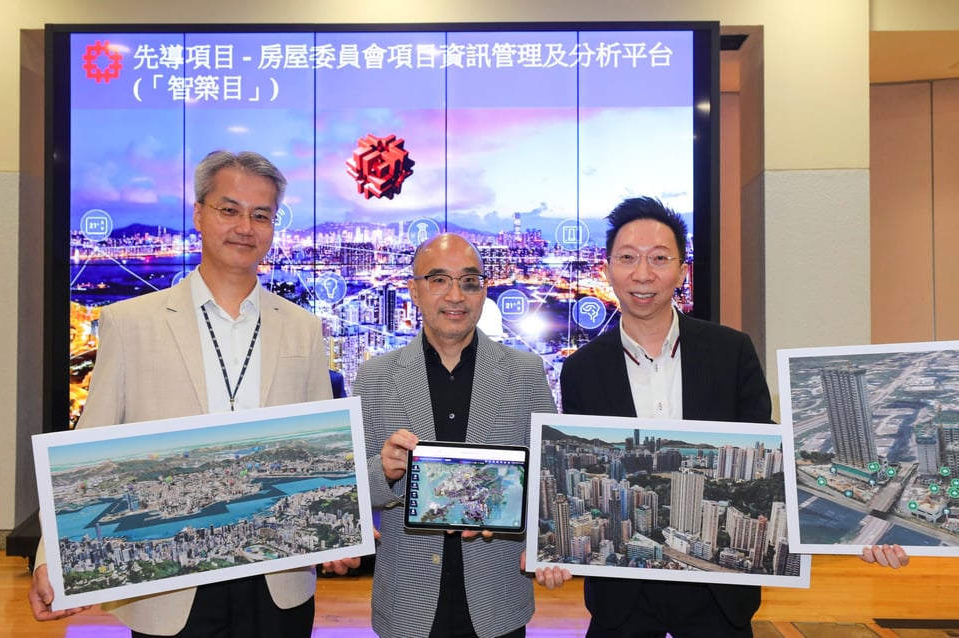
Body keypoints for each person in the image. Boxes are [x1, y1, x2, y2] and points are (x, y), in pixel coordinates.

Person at [28, 150, 344, 638]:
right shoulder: (131, 323)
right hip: (169, 583)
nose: (245, 227)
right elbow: (89, 440)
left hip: (278, 573)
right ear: (199, 213)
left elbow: (324, 449)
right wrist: (51, 555)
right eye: (229, 209)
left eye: (261, 215)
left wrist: (339, 526)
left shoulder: (303, 327)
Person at [559, 196, 906, 638]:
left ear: (682, 271)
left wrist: (871, 532)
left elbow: (774, 466)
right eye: (628, 258)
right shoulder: (582, 370)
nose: (643, 274)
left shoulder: (730, 351)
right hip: (622, 595)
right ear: (607, 269)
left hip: (719, 592)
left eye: (659, 258)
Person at [354, 233, 570, 638]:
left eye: (469, 281)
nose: (456, 295)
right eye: (439, 280)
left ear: (483, 291)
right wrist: (382, 470)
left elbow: (552, 478)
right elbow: (349, 490)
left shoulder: (525, 372)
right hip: (407, 599)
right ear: (414, 291)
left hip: (497, 597)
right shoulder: (375, 377)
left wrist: (548, 544)